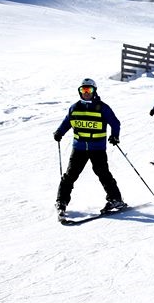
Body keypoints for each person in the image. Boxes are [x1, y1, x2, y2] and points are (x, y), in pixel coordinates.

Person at [53, 78, 126, 217]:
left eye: (89, 90)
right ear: (80, 91)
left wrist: (115, 136)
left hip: (97, 148)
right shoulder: (75, 108)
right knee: (70, 175)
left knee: (103, 174)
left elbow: (115, 123)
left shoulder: (102, 107)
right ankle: (61, 201)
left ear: (94, 91)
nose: (86, 93)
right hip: (79, 148)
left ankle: (116, 199)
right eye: (83, 90)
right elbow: (66, 122)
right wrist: (59, 132)